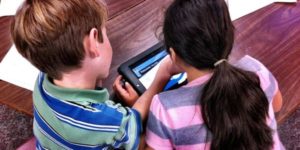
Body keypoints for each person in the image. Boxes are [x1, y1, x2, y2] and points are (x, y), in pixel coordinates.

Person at [115, 0, 285, 149]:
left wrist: (148, 98)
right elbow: (277, 105)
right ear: (229, 37)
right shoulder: (257, 71)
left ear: (173, 56)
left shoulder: (165, 109)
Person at [11, 0, 166, 149]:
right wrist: (161, 77)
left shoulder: (42, 80)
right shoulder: (106, 120)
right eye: (105, 33)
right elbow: (135, 137)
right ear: (93, 43)